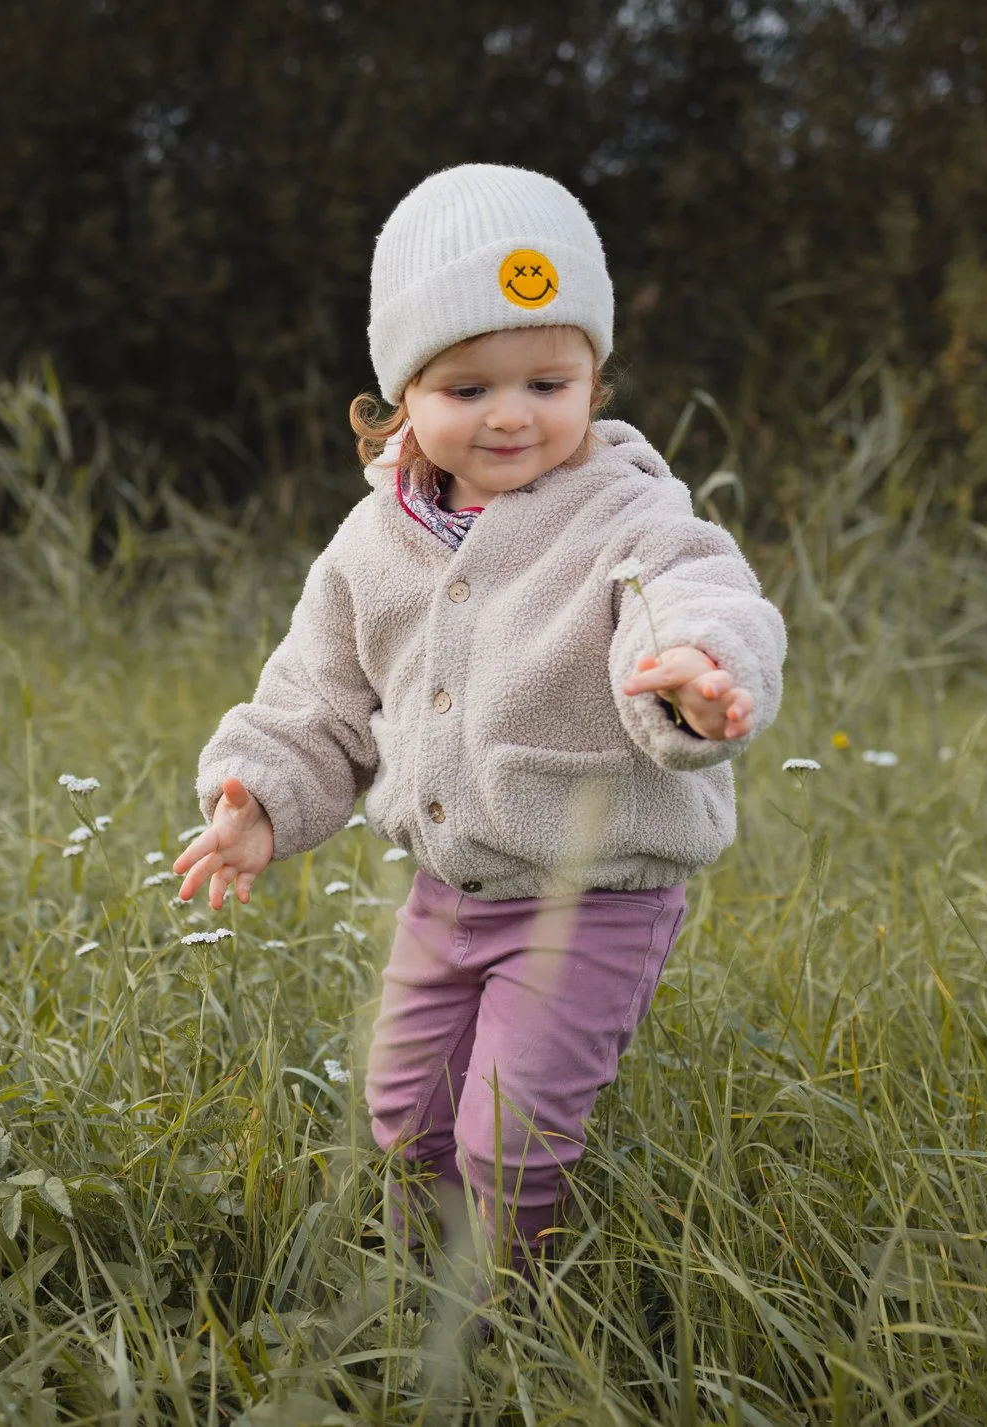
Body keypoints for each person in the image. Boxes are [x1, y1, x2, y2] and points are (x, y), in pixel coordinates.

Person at [172, 163, 786, 1278]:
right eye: (466, 388)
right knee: (406, 1116)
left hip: (593, 895)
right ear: (403, 394)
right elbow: (318, 689)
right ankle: (420, 1289)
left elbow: (693, 590)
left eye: (547, 382)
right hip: (446, 890)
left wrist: (696, 668)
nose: (510, 414)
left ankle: (505, 1315)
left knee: (507, 1136)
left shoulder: (628, 511)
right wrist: (261, 795)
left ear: (593, 378)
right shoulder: (376, 543)